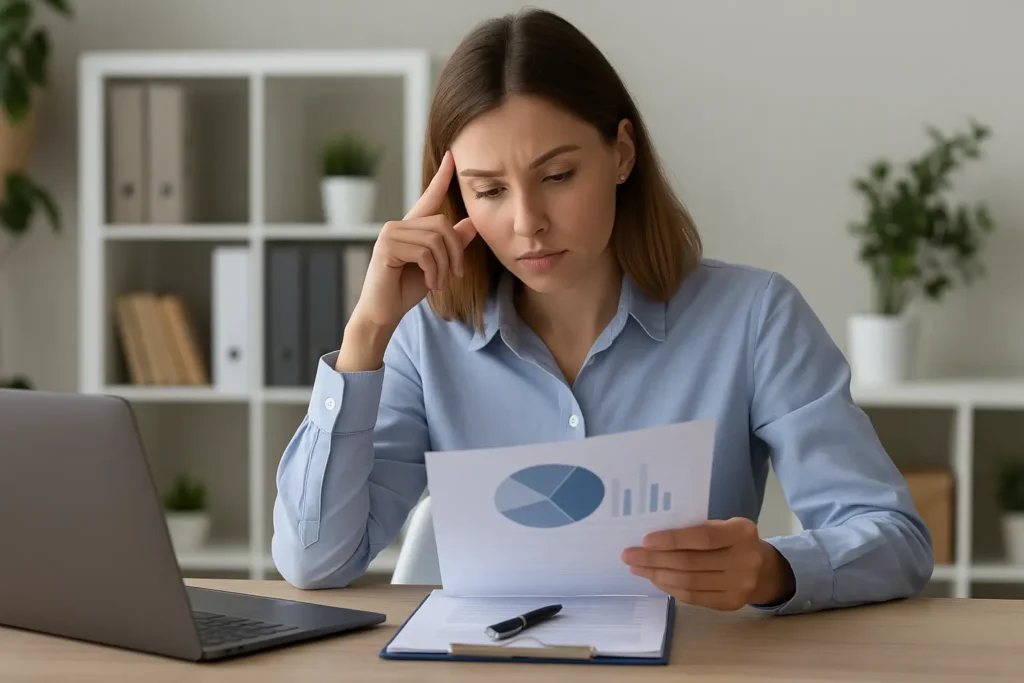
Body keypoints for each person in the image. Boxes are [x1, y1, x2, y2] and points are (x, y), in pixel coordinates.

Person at [271, 8, 933, 615]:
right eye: (490, 190)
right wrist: (367, 333)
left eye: (557, 176)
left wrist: (775, 569)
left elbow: (894, 536)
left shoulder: (755, 318)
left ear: (621, 152)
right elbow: (314, 561)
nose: (527, 222)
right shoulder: (425, 339)